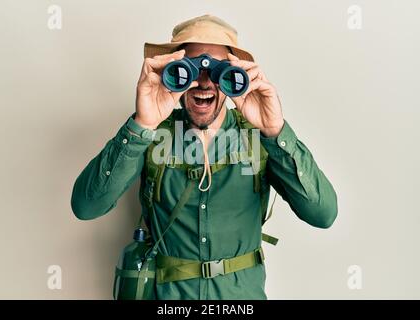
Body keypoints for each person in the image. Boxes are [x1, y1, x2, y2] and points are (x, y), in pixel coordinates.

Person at [71, 14, 338, 300]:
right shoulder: (152, 134)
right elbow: (87, 207)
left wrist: (275, 132)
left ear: (235, 75)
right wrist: (142, 125)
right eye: (190, 68)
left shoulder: (260, 137)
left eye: (218, 70)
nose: (204, 82)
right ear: (172, 70)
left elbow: (323, 214)